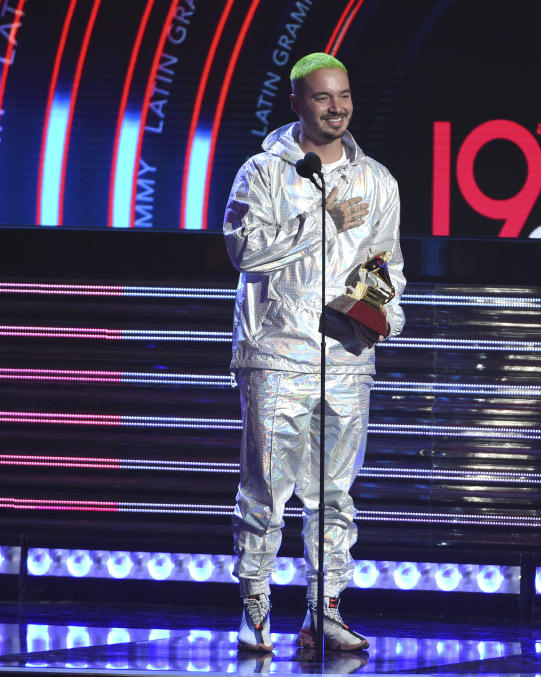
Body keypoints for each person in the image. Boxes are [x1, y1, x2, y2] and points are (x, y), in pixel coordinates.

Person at [222, 52, 405, 653]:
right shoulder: (264, 173)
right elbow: (246, 253)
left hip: (348, 356)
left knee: (334, 493)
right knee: (266, 488)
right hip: (277, 352)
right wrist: (321, 218)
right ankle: (255, 603)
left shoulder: (377, 180)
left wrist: (383, 310)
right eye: (323, 98)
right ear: (297, 102)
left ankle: (323, 609)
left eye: (344, 96)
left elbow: (387, 265)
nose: (336, 108)